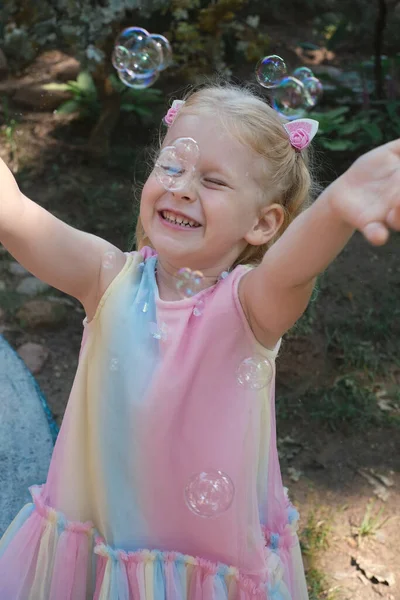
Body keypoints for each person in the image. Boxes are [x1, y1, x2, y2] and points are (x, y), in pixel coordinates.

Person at [0, 82, 399, 600]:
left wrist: (335, 208)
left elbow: (290, 270)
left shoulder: (249, 308)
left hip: (199, 569)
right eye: (172, 166)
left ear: (263, 222)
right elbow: (18, 217)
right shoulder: (107, 279)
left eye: (212, 181)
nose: (182, 187)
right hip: (96, 548)